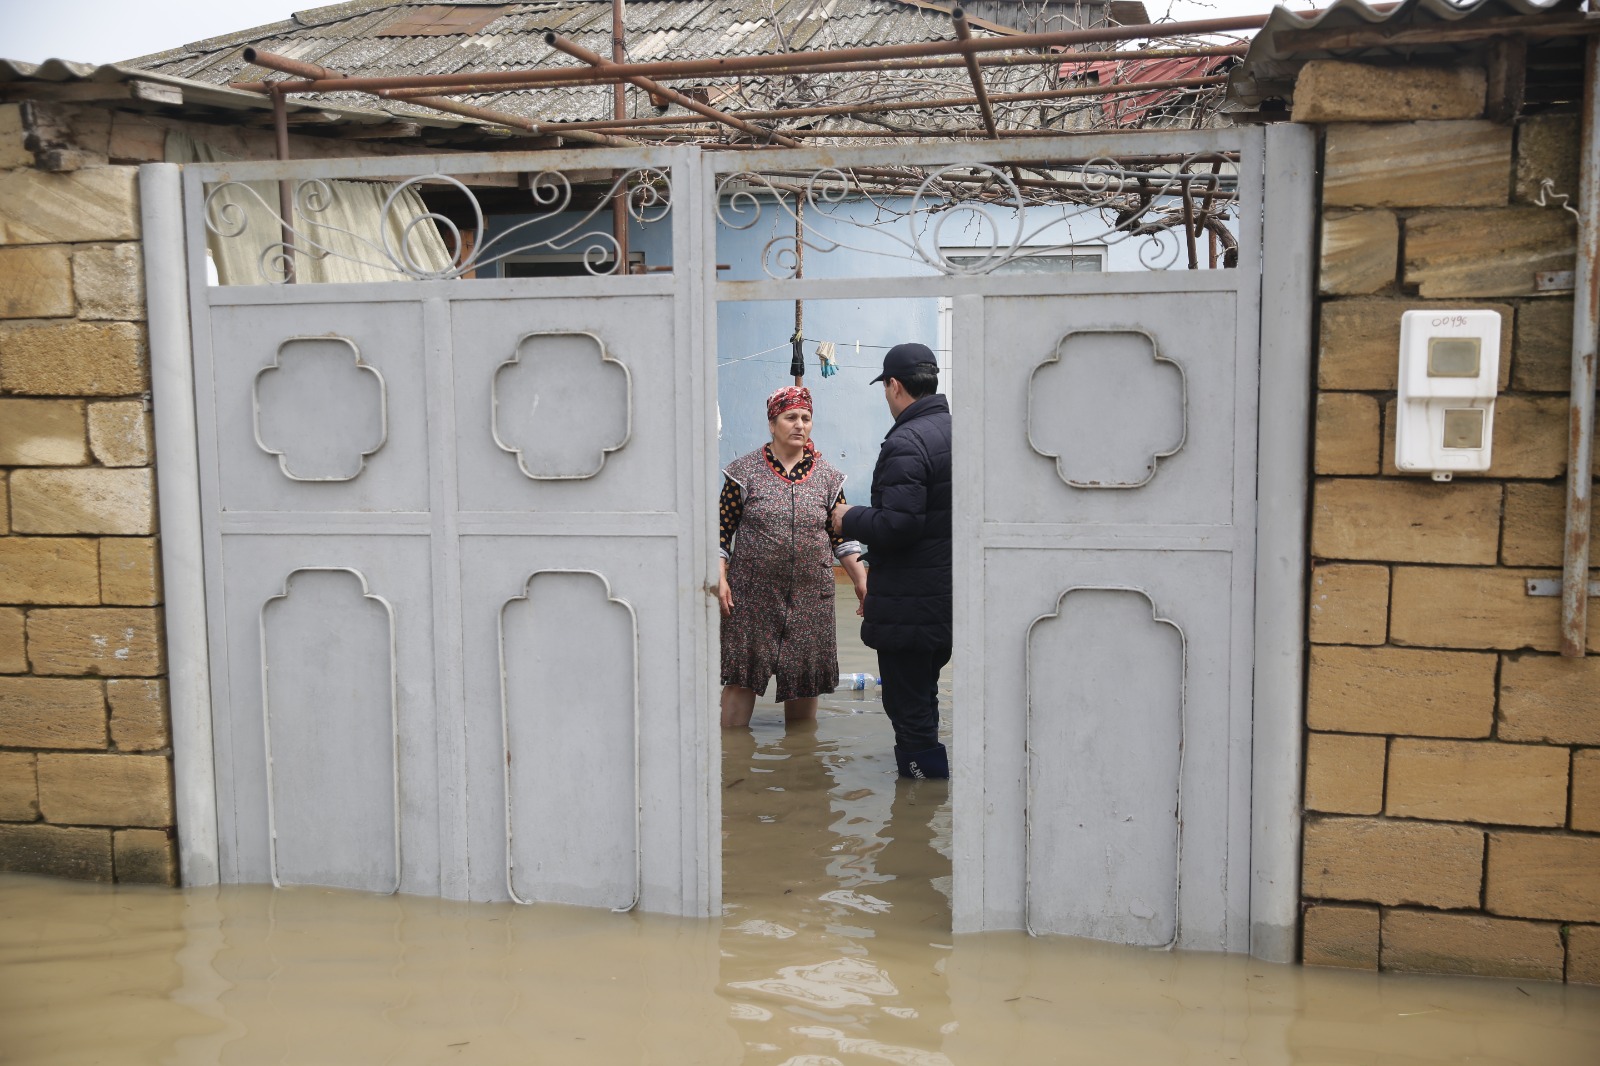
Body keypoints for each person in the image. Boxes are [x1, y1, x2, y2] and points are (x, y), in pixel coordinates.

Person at [831, 343, 952, 779]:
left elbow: (901, 524)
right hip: (944, 601)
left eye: (885, 387)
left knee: (908, 707)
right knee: (924, 696)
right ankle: (926, 797)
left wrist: (850, 518)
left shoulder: (907, 439)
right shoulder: (957, 432)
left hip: (911, 603)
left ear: (895, 385)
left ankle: (920, 799)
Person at [719, 385, 869, 729]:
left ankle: (802, 766)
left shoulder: (829, 478)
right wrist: (720, 576)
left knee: (805, 679)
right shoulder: (742, 473)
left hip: (810, 596)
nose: (800, 424)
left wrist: (861, 581)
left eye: (806, 418)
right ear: (773, 424)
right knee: (743, 675)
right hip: (752, 594)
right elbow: (721, 531)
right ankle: (731, 760)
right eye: (791, 417)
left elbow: (842, 537)